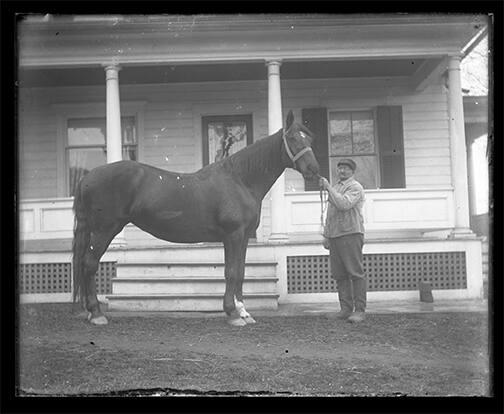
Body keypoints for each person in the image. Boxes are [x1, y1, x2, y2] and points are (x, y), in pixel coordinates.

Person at [319, 158, 366, 323]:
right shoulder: (336, 187)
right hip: (335, 236)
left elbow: (343, 204)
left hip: (351, 234)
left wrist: (328, 188)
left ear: (352, 171)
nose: (342, 171)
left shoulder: (355, 187)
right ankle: (345, 310)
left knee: (355, 273)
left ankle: (359, 311)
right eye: (340, 168)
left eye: (346, 168)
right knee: (340, 275)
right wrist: (326, 234)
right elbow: (330, 214)